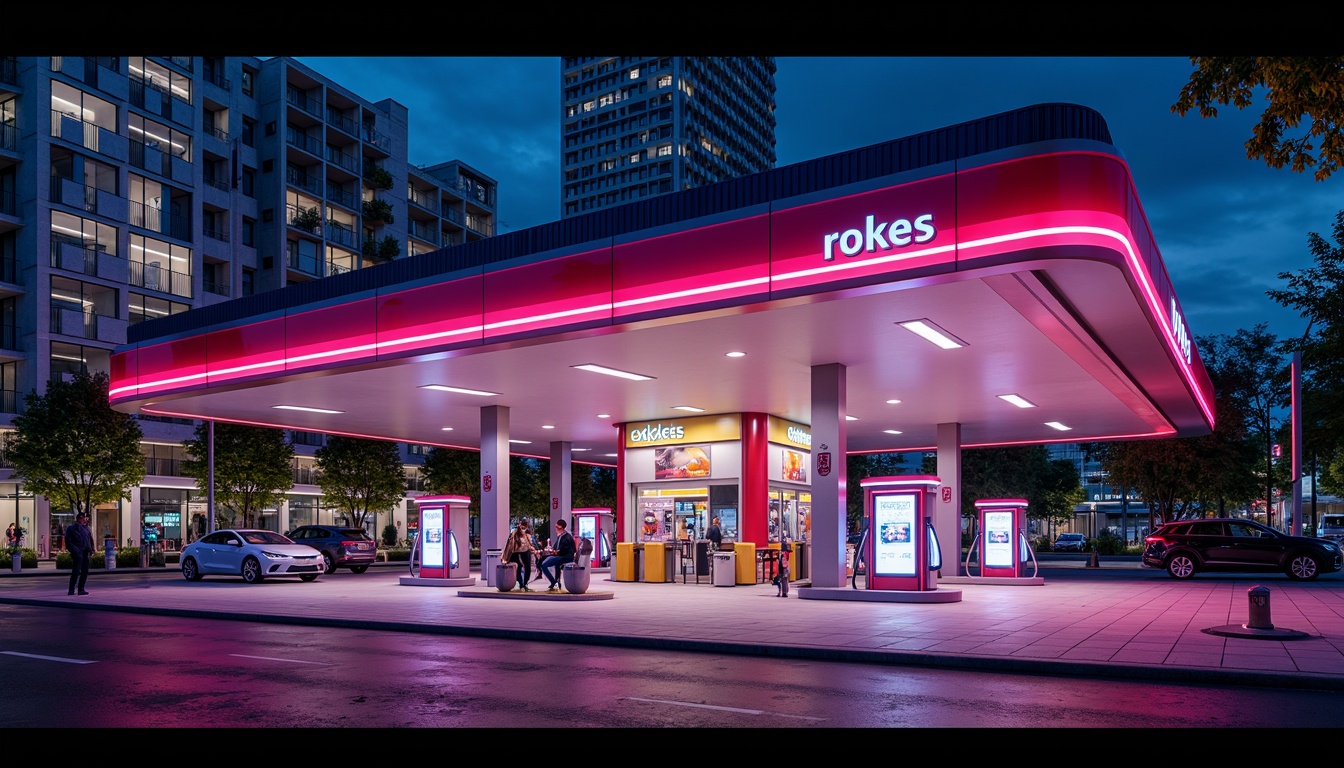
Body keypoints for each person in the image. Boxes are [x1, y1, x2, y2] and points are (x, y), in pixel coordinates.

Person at [539, 518, 576, 592]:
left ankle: (554, 582)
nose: (555, 528)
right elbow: (556, 547)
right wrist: (552, 551)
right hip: (561, 556)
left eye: (556, 527)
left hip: (565, 557)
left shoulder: (567, 537)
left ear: (561, 527)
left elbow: (565, 550)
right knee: (552, 562)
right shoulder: (561, 536)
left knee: (544, 565)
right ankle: (556, 582)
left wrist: (555, 552)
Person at [65, 511, 95, 596]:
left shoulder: (87, 528)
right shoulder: (71, 528)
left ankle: (81, 589)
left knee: (85, 571)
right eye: (85, 517)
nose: (86, 519)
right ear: (81, 517)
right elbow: (68, 542)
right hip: (77, 553)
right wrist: (75, 551)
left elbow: (90, 540)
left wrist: (92, 549)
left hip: (85, 552)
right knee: (76, 571)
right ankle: (71, 589)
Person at [502, 520, 536, 592]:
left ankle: (524, 584)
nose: (523, 527)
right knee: (519, 568)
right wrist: (505, 557)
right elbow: (509, 545)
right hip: (516, 552)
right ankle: (522, 584)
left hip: (525, 552)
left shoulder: (527, 533)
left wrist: (534, 550)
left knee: (526, 568)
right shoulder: (514, 533)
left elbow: (529, 544)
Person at [776, 528, 792, 598]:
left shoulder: (783, 554)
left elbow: (782, 562)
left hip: (783, 568)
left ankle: (784, 592)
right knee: (785, 580)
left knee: (783, 580)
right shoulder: (787, 553)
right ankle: (785, 592)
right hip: (786, 567)